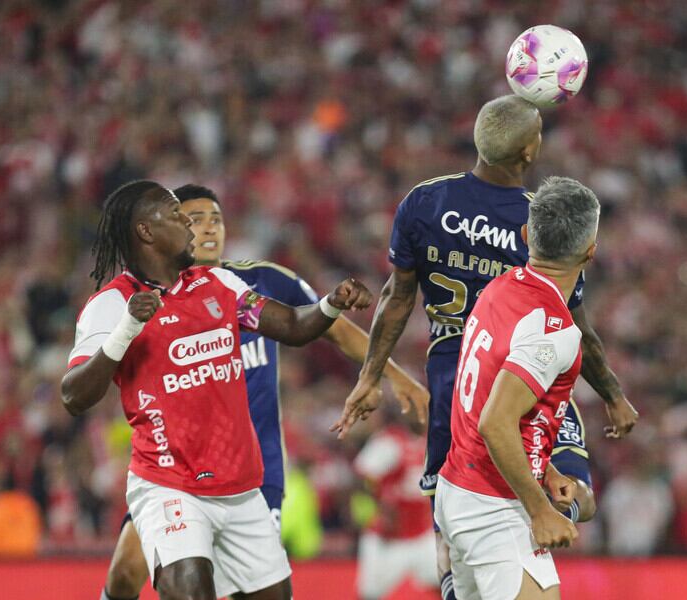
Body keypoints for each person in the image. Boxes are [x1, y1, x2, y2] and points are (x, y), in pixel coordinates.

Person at [333, 95, 638, 599]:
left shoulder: (424, 202)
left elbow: (395, 297)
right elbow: (574, 326)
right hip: (521, 373)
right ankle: (536, 533)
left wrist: (370, 376)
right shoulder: (538, 228)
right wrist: (612, 394)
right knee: (575, 497)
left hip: (452, 380)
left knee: (451, 527)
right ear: (530, 151)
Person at [102, 184, 429, 600]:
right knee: (126, 573)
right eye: (194, 219)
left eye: (215, 219)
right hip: (176, 469)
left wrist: (390, 376)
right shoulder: (147, 299)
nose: (207, 229)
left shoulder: (262, 282)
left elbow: (333, 327)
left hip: (252, 476)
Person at [435, 176, 600, 600]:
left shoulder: (499, 287)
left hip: (458, 489)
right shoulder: (552, 329)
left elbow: (493, 401)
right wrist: (540, 509)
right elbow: (495, 422)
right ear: (591, 252)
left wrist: (545, 469)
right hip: (496, 506)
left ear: (527, 235)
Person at [353, 409, 437, 600]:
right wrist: (381, 506)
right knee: (370, 594)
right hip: (389, 538)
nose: (420, 414)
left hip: (422, 533)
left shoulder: (434, 441)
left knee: (448, 585)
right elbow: (362, 476)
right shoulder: (389, 442)